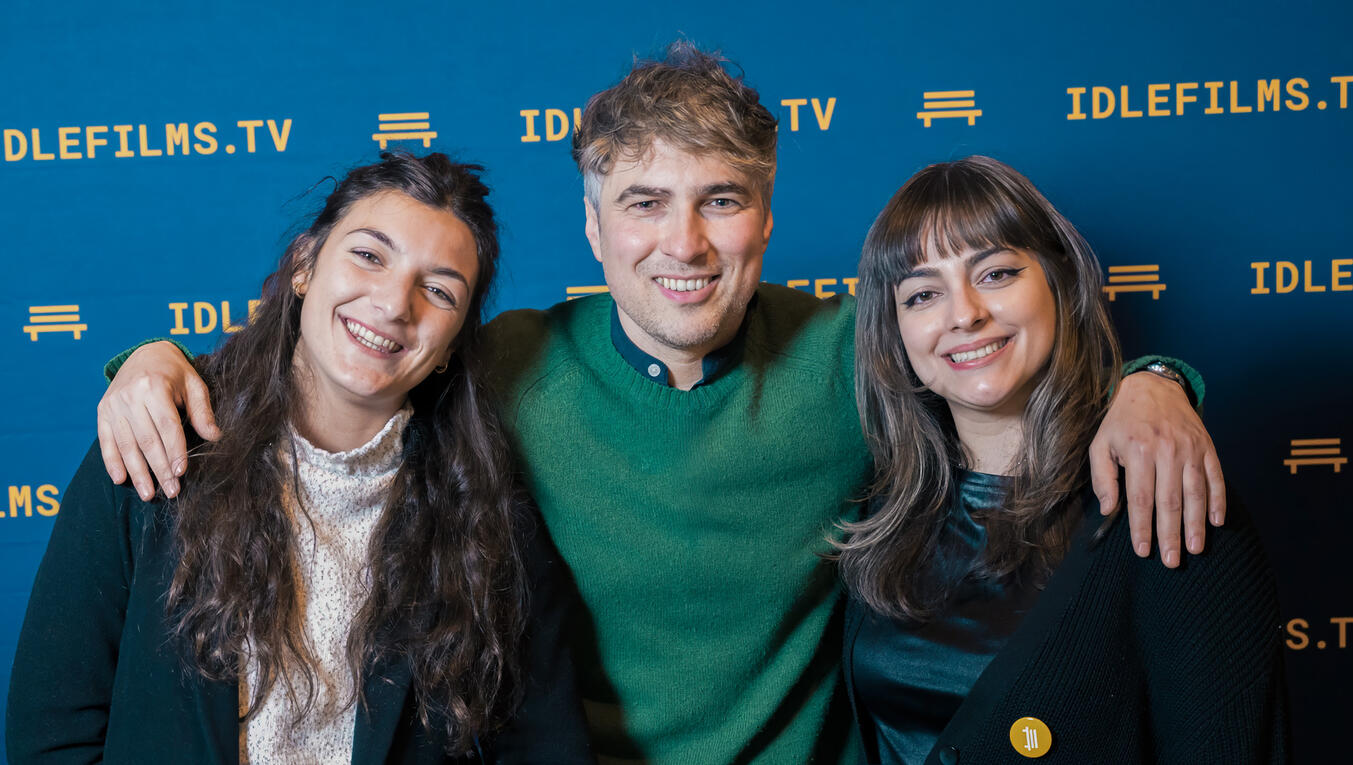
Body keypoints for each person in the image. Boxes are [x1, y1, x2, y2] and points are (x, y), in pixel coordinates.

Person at [92, 45, 1225, 763]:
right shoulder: (507, 366)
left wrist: (1155, 383)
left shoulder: (854, 356)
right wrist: (144, 363)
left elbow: (995, 360)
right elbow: (338, 367)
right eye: (642, 203)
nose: (681, 245)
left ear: (767, 219)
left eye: (719, 201)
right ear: (593, 230)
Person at [7, 153, 592, 764]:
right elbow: (50, 736)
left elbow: (547, 748)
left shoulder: (486, 514)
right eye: (369, 255)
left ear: (452, 345)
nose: (395, 304)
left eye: (439, 290)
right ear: (305, 265)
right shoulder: (157, 438)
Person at [840, 156, 1288, 764]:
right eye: (923, 294)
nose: (964, 313)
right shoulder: (882, 511)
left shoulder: (1164, 496)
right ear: (894, 331)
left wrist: (1156, 378)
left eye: (996, 273)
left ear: (1061, 282)